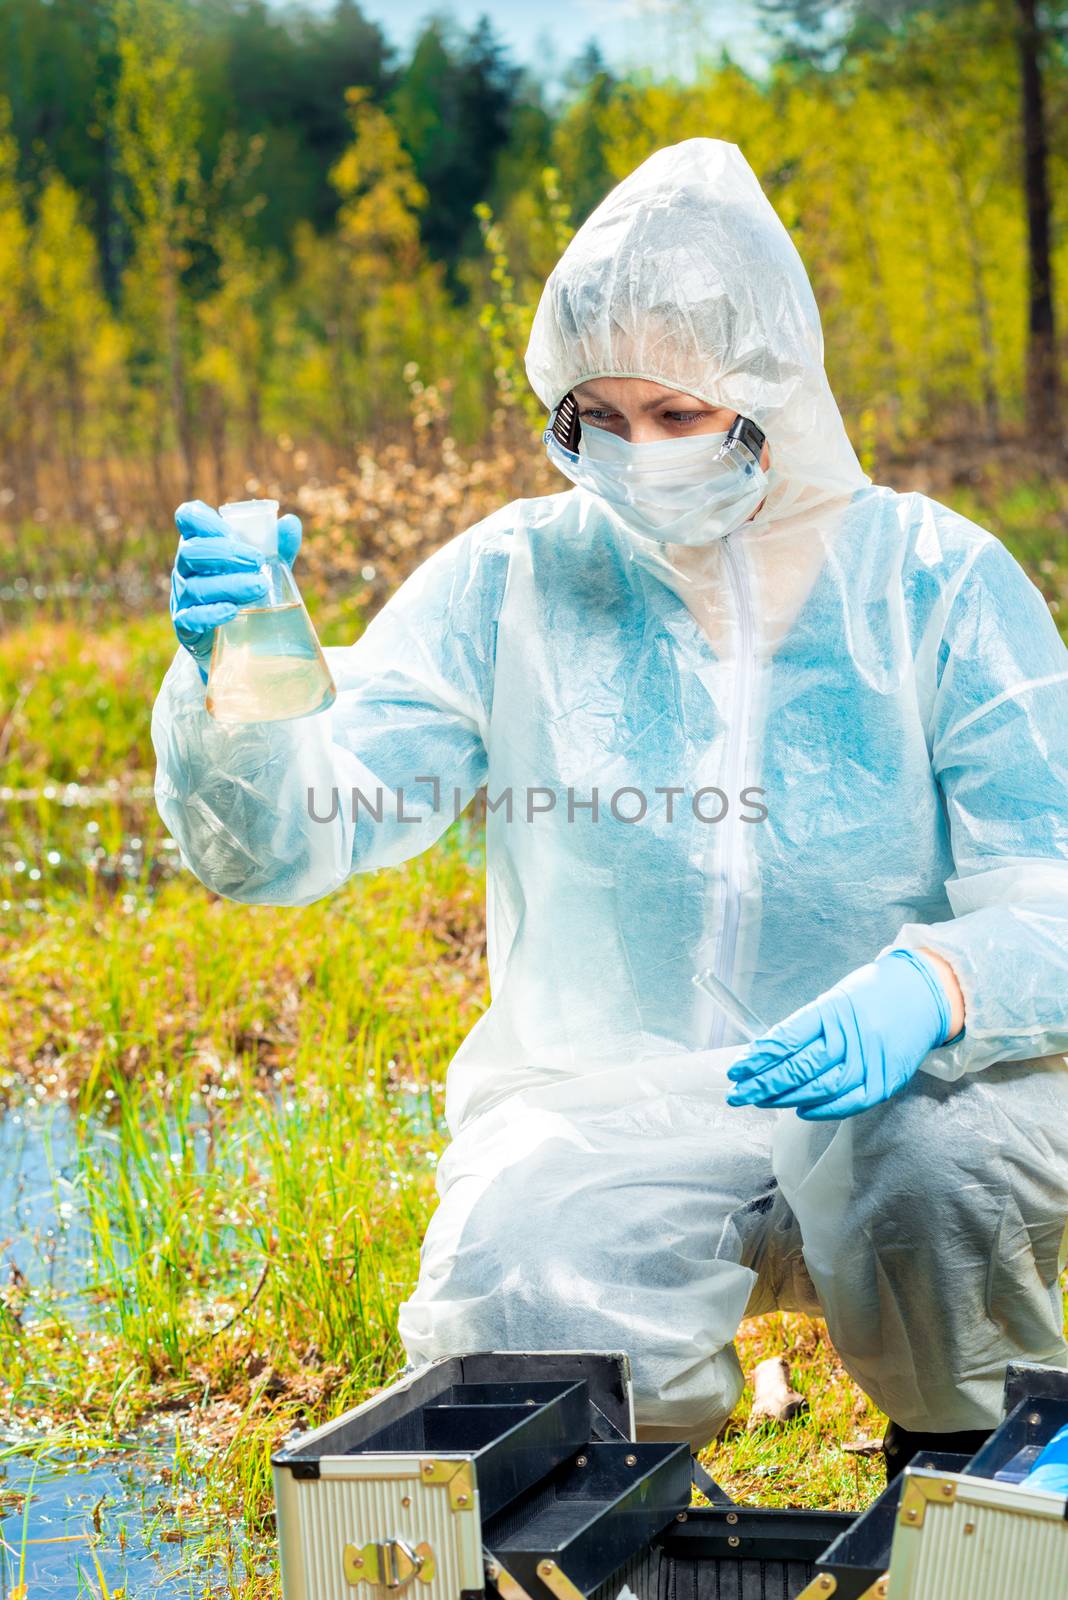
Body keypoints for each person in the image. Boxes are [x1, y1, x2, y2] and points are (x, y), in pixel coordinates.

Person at [154, 139, 1068, 1476]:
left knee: (946, 1180)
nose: (637, 456)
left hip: (901, 1086)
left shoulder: (936, 583)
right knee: (518, 1291)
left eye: (681, 414)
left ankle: (963, 1469)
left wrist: (936, 983)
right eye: (603, 415)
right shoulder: (517, 580)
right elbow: (291, 833)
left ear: (770, 397)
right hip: (609, 1101)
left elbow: (1054, 882)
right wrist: (229, 687)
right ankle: (611, 1512)